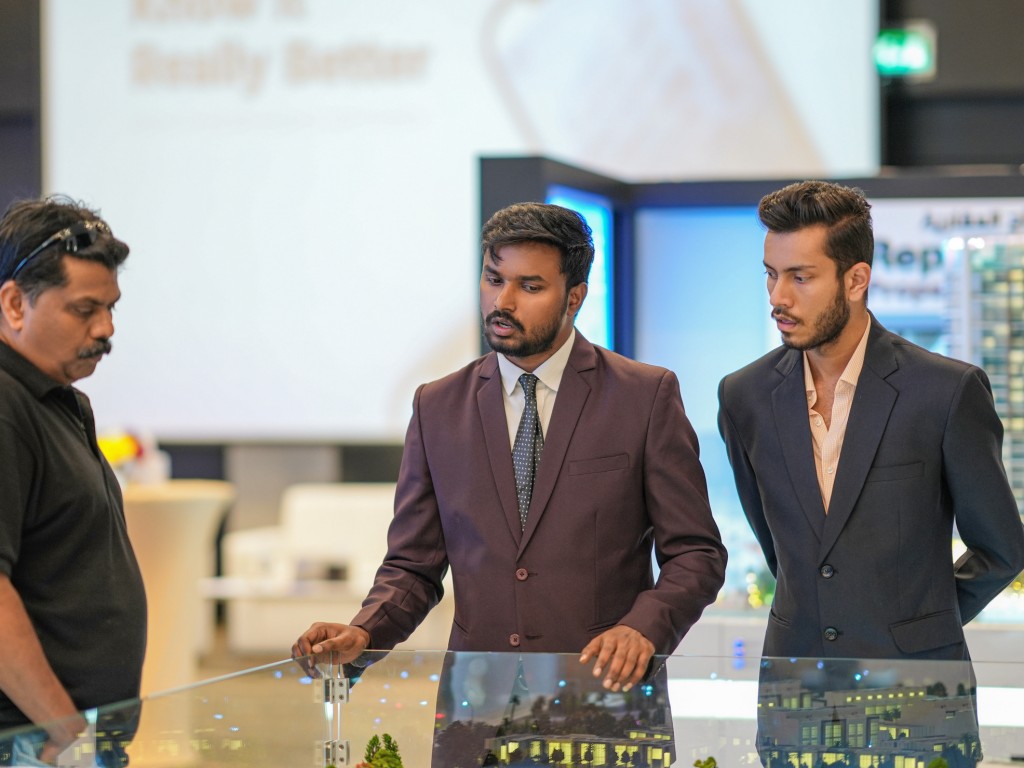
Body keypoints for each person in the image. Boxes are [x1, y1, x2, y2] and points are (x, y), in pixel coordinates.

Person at [295, 202, 726, 691]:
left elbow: (696, 553)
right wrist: (366, 630)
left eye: (530, 286)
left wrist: (643, 628)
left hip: (603, 694)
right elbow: (413, 566)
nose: (503, 301)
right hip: (477, 703)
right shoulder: (436, 406)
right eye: (494, 279)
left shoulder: (644, 396)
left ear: (574, 297)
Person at [718, 180, 1024, 660]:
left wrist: (923, 625)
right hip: (795, 676)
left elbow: (1001, 549)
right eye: (771, 275)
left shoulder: (945, 390)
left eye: (801, 278)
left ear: (856, 280)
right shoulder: (744, 396)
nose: (778, 297)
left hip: (917, 682)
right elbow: (782, 555)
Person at [0, 197, 146, 765]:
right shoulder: (6, 406)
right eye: (84, 309)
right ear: (15, 303)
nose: (105, 328)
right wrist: (65, 731)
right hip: (35, 745)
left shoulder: (57, 400)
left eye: (110, 308)